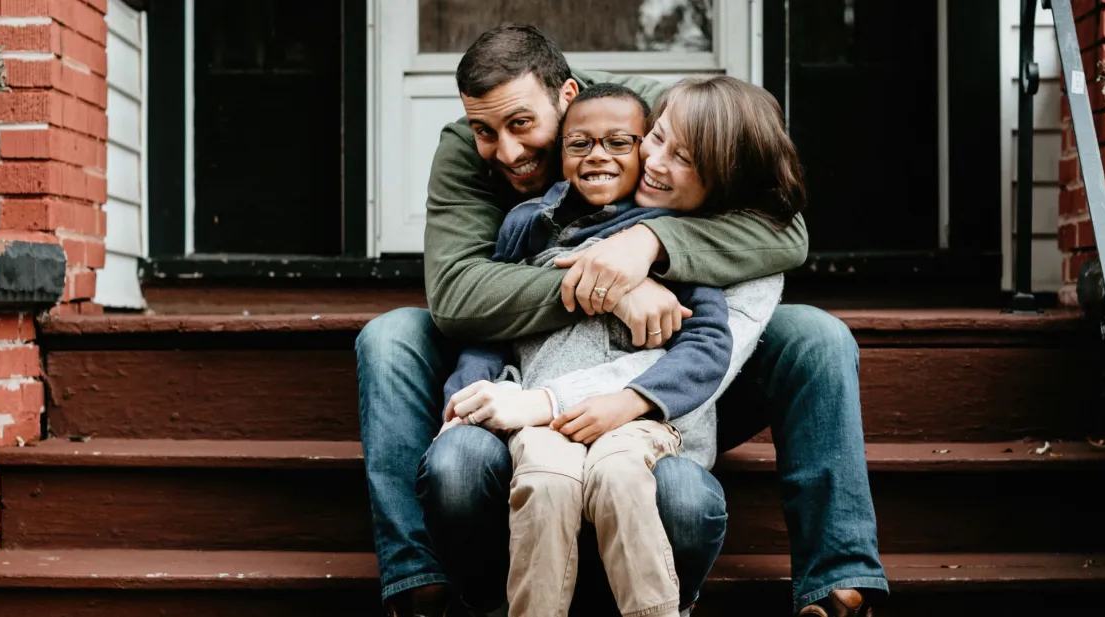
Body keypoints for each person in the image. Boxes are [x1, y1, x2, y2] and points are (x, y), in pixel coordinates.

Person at [356, 23, 887, 617]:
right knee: (390, 336)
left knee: (816, 335)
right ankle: (418, 577)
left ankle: (838, 578)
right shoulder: (470, 150)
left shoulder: (656, 112)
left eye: (522, 124)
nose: (506, 151)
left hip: (667, 375)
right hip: (526, 361)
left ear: (568, 97)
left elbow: (784, 232)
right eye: (487, 131)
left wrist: (650, 243)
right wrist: (610, 287)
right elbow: (457, 297)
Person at [437, 81, 785, 617]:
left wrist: (635, 396)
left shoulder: (678, 235)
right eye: (580, 144)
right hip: (542, 422)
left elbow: (707, 344)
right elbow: (492, 328)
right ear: (561, 151)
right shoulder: (529, 225)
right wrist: (469, 395)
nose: (601, 156)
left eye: (621, 143)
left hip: (635, 425)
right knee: (545, 482)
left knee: (621, 477)